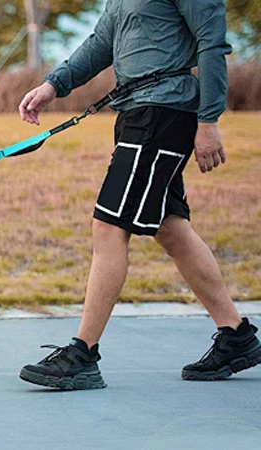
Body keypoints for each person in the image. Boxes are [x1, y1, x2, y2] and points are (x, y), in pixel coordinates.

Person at [16, 0, 260, 390]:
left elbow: (212, 44)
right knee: (169, 227)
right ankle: (237, 337)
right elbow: (102, 41)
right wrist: (53, 85)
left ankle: (82, 355)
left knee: (109, 225)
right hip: (136, 110)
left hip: (162, 112)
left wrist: (209, 119)